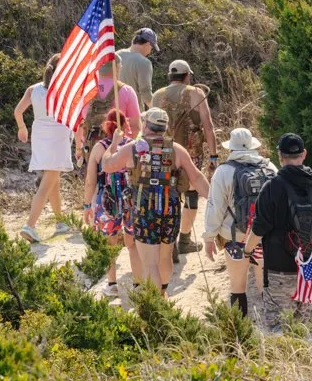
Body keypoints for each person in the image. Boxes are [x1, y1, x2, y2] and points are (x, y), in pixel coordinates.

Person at [101, 107, 211, 294]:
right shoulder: (177, 149)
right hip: (171, 208)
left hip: (144, 210)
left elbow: (107, 166)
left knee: (150, 263)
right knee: (165, 256)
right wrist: (215, 201)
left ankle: (157, 306)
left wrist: (113, 144)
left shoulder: (132, 148)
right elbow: (197, 178)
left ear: (145, 125)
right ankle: (163, 293)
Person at [242, 133, 312, 327]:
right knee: (304, 326)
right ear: (304, 154)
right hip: (309, 266)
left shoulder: (272, 187)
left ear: (280, 155)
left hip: (278, 267)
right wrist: (311, 233)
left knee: (277, 327)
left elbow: (259, 228)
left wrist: (247, 250)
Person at [202, 127, 277, 316]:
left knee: (237, 286)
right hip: (265, 236)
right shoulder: (270, 168)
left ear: (231, 148)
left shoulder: (223, 171)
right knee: (265, 284)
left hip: (235, 236)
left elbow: (215, 207)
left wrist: (209, 238)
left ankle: (240, 330)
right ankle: (270, 331)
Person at [150, 59, 217, 259]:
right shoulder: (195, 93)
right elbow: (208, 126)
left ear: (169, 77)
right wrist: (213, 155)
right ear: (187, 76)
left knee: (167, 196)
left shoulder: (157, 95)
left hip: (162, 155)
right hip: (190, 153)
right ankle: (185, 239)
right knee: (191, 195)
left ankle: (169, 243)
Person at [82, 109, 143, 295]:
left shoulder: (99, 148)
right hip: (130, 198)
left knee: (110, 242)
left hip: (107, 199)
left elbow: (90, 180)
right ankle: (138, 284)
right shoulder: (132, 145)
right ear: (125, 125)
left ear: (105, 126)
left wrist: (87, 205)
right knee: (132, 242)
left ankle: (112, 284)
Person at [13, 54, 73, 243]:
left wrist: (22, 127)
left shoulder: (34, 89)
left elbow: (18, 111)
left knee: (52, 179)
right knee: (48, 182)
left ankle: (60, 221)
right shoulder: (66, 90)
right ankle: (30, 225)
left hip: (40, 134)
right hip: (58, 135)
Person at [77, 55, 142, 170]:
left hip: (91, 148)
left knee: (91, 184)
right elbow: (135, 126)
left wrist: (78, 148)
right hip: (118, 151)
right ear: (117, 67)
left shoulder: (85, 91)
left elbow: (78, 124)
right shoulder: (126, 90)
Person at [115, 27, 158, 107]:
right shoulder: (144, 62)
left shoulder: (116, 55)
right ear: (148, 44)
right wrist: (157, 112)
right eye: (152, 48)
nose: (150, 51)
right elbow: (146, 94)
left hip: (113, 112)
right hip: (133, 113)